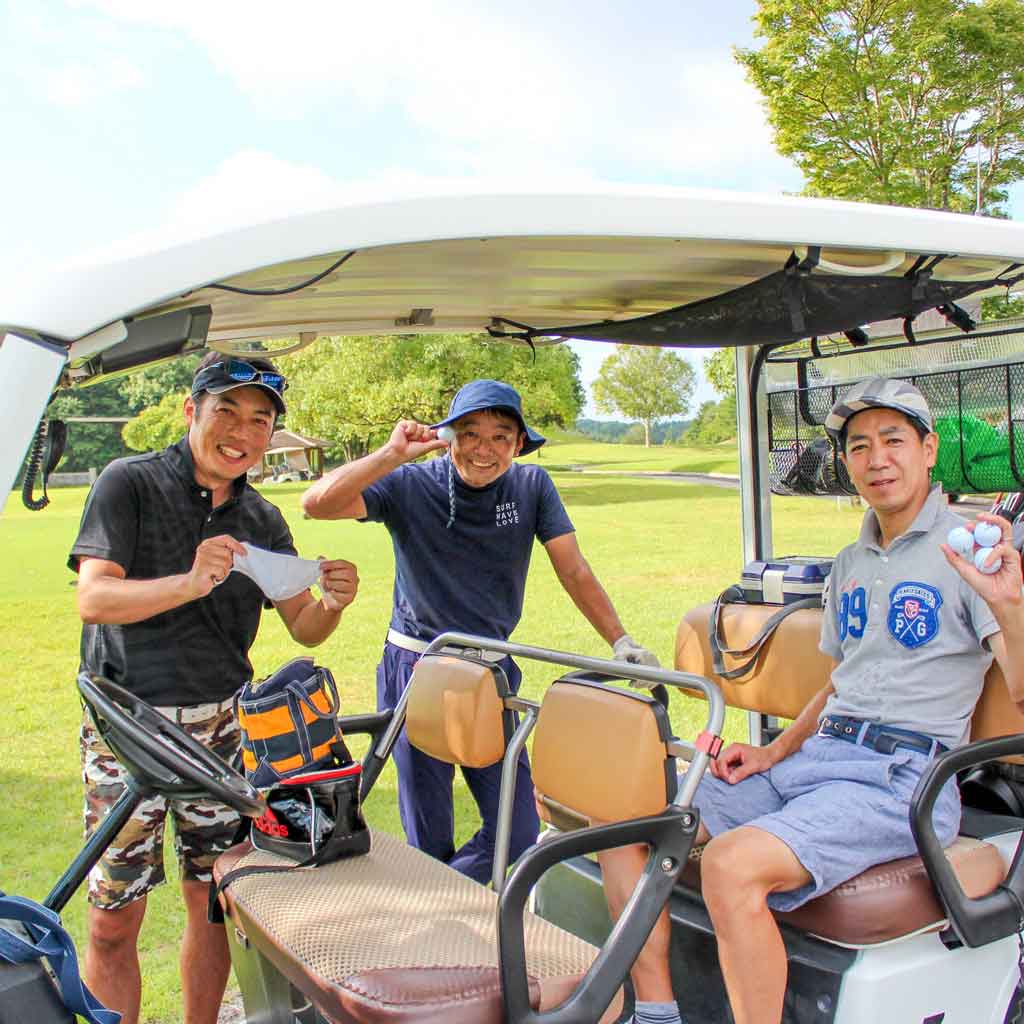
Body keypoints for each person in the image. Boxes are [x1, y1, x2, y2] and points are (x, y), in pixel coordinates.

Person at [600, 376, 1024, 1024]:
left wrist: (1011, 604)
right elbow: (838, 683)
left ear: (929, 448)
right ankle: (656, 1012)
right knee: (628, 821)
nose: (876, 458)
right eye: (859, 446)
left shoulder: (971, 557)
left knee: (733, 865)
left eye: (893, 440)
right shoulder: (850, 561)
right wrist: (773, 752)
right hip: (816, 766)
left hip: (900, 779)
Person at [70, 353, 360, 1024]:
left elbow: (305, 629)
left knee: (214, 902)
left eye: (260, 420)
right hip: (128, 733)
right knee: (113, 918)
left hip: (222, 737)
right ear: (191, 412)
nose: (242, 432)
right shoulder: (128, 483)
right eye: (226, 410)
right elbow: (94, 598)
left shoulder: (261, 520)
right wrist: (190, 582)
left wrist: (333, 603)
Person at [301, 378, 658, 883]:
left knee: (517, 824)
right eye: (470, 434)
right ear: (449, 437)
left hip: (490, 671)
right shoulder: (411, 483)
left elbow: (572, 569)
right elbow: (316, 503)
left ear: (518, 443)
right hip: (417, 669)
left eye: (499, 436)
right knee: (428, 829)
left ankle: (441, 895)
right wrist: (390, 455)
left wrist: (619, 640)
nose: (484, 450)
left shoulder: (532, 487)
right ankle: (440, 914)